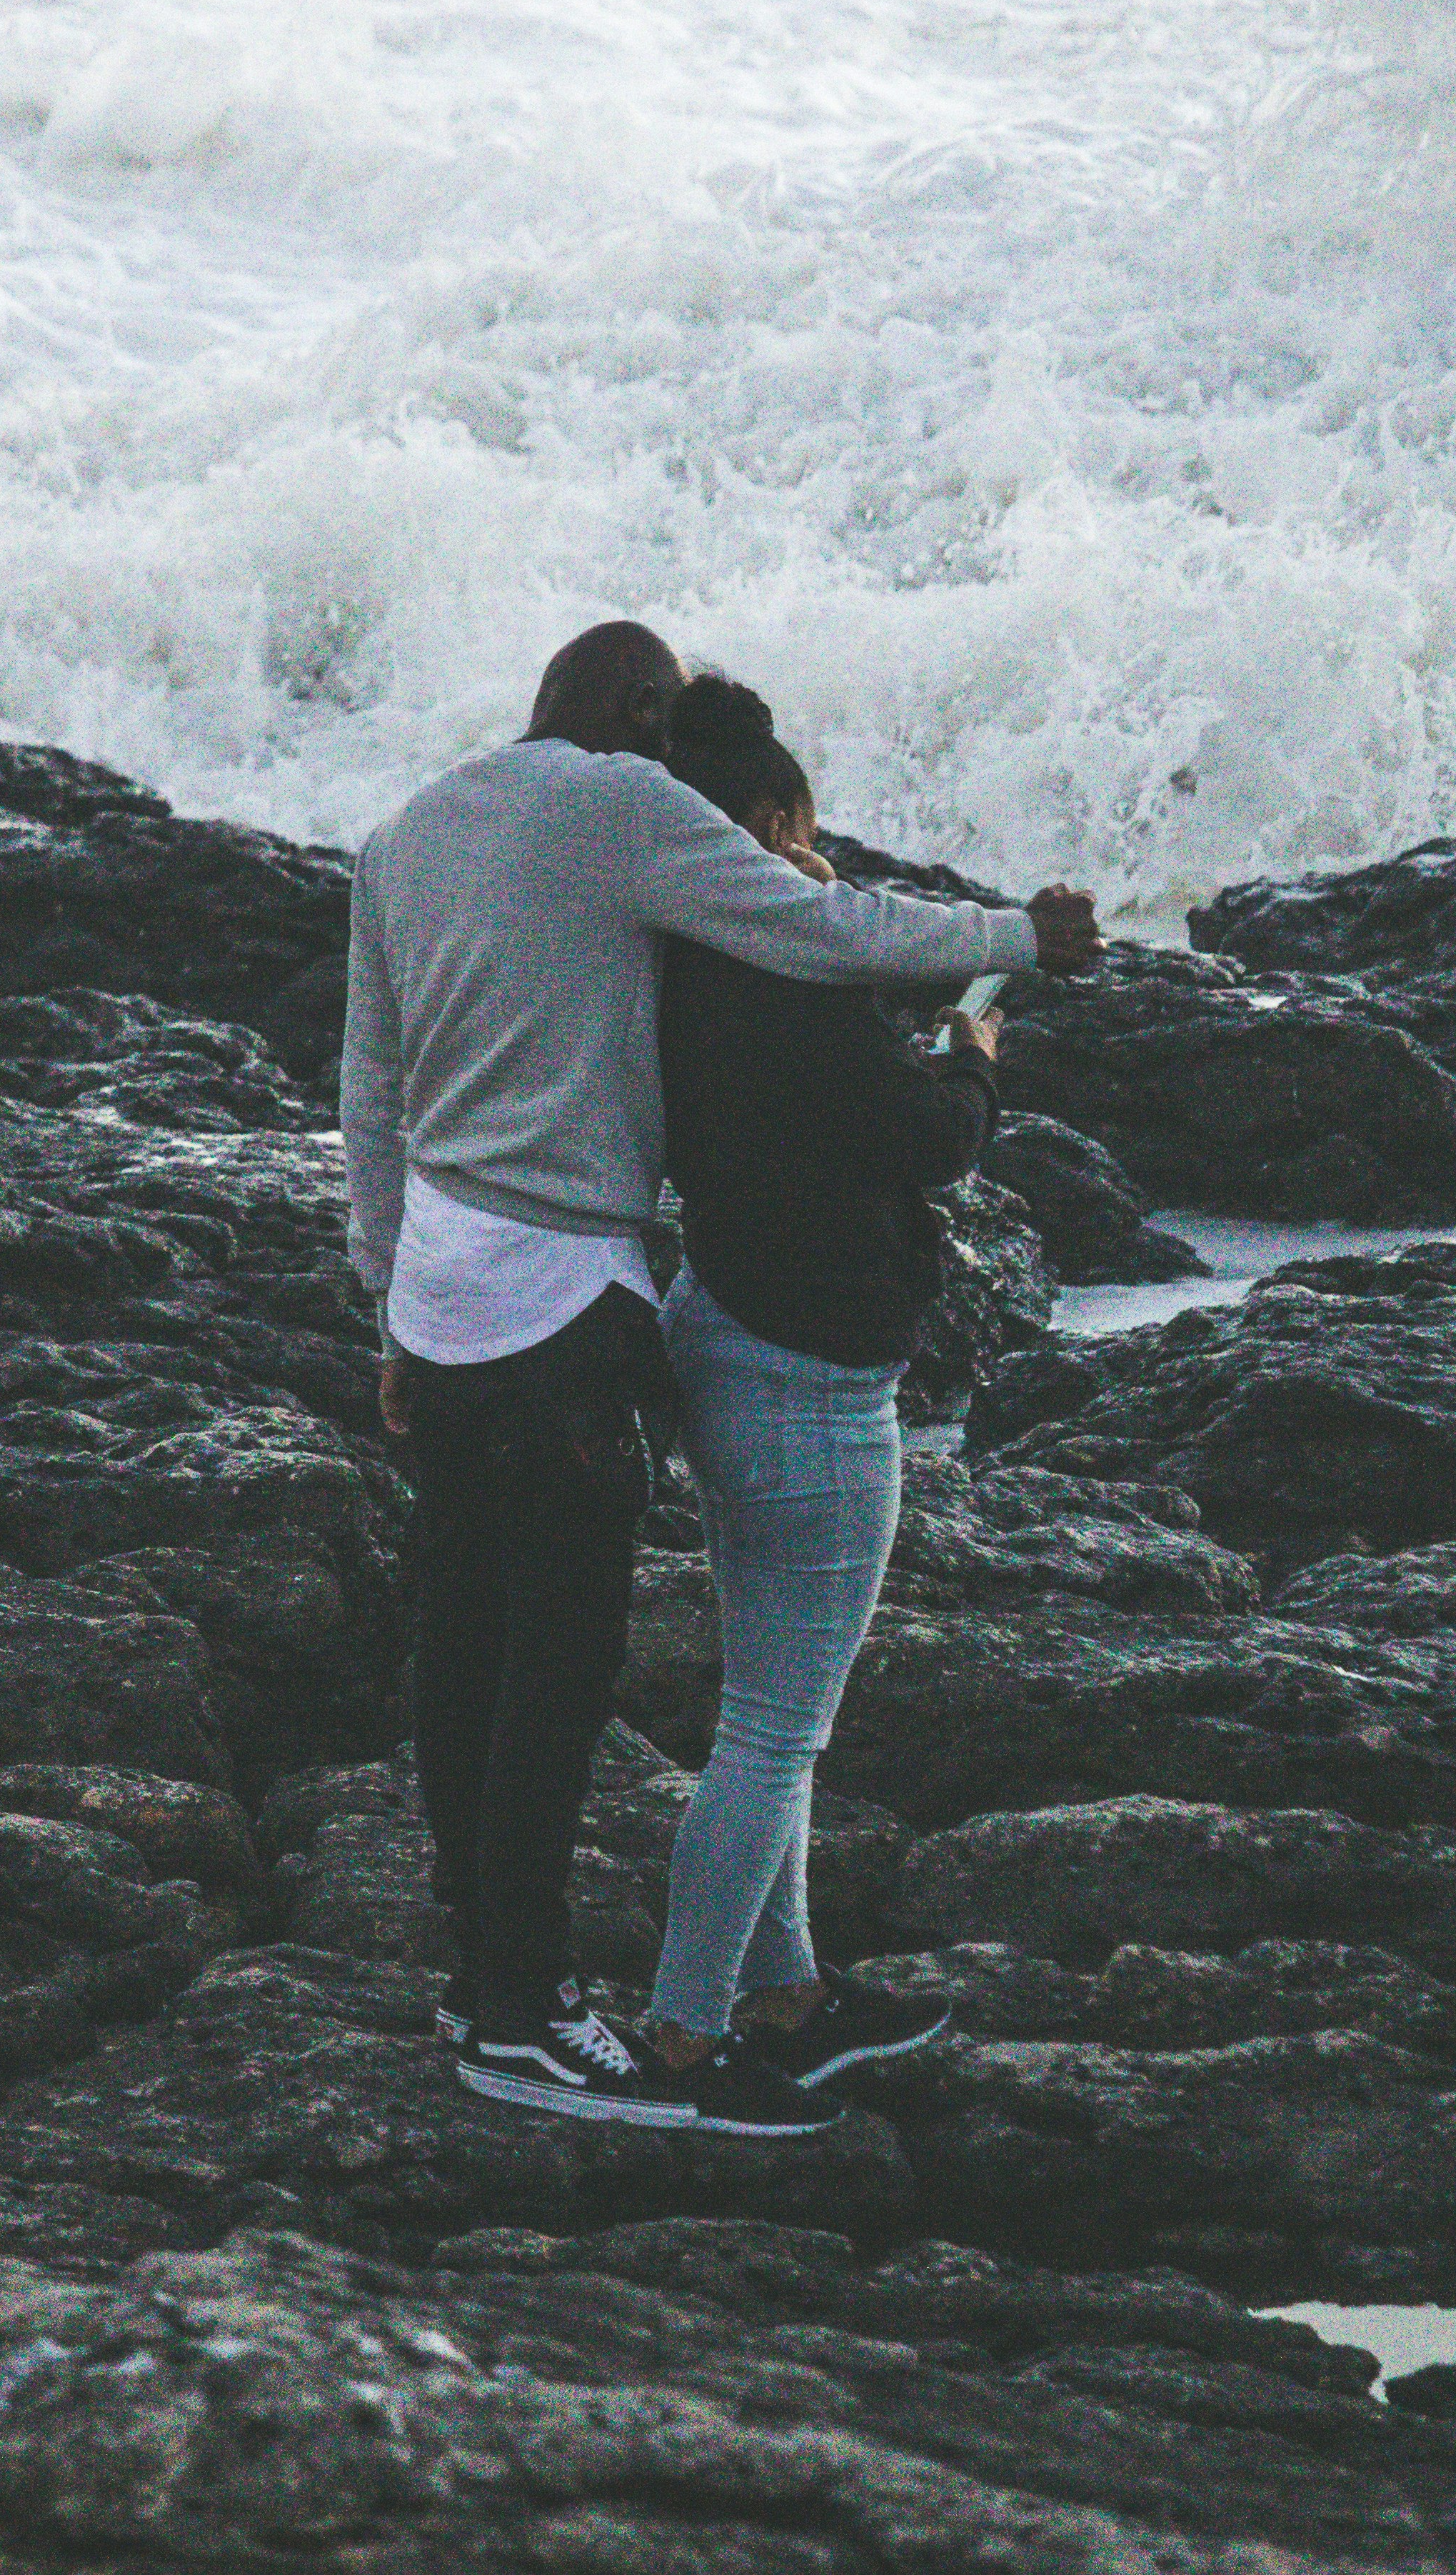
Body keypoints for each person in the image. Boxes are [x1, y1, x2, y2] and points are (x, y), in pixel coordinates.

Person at [341, 620, 1099, 2134]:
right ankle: (528, 2019)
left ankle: (500, 1981)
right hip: (560, 1307)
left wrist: (385, 1305)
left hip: (444, 1294)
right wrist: (1019, 937)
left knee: (463, 1659)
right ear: (633, 712)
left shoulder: (406, 828)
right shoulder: (617, 802)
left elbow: (370, 1090)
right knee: (552, 1683)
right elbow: (819, 929)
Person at [641, 678, 995, 2120]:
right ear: (779, 821)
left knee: (764, 1706)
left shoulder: (675, 958)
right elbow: (919, 1137)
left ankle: (788, 1993)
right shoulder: (795, 974)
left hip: (722, 1329)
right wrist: (974, 1060)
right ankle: (682, 2037)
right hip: (808, 1382)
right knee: (774, 1731)